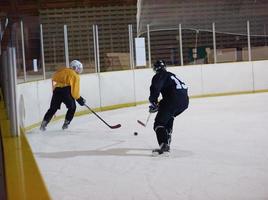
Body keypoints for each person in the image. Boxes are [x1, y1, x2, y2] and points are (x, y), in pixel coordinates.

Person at [148, 60, 189, 155]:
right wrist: (159, 104)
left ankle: (164, 145)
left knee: (159, 123)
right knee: (169, 116)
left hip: (172, 101)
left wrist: (153, 102)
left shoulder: (159, 75)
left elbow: (155, 88)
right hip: (184, 102)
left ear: (155, 69)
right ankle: (167, 134)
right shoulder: (172, 75)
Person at [40, 60, 86, 131]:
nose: (79, 70)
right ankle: (66, 124)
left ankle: (44, 123)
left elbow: (54, 78)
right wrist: (80, 99)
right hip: (66, 91)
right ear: (75, 68)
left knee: (53, 108)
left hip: (57, 90)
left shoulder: (63, 70)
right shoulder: (75, 76)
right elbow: (75, 93)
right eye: (79, 68)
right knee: (72, 107)